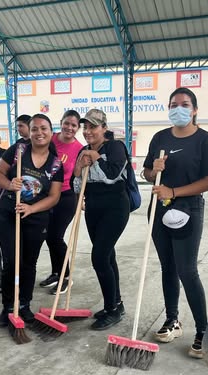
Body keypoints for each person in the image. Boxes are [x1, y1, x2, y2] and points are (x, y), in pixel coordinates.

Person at [143, 87, 208, 358]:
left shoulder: (204, 140)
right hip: (159, 208)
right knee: (167, 267)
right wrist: (153, 170)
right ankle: (172, 320)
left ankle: (203, 330)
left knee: (187, 270)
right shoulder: (160, 137)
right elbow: (146, 172)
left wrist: (174, 191)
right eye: (173, 104)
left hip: (188, 208)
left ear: (195, 110)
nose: (179, 109)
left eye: (185, 104)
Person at [0, 114, 64, 326]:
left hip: (36, 217)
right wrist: (9, 185)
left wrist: (32, 208)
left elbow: (54, 197)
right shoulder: (18, 151)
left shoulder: (56, 164)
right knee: (11, 261)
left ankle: (24, 304)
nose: (39, 133)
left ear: (51, 132)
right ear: (29, 132)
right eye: (34, 129)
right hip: (8, 213)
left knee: (28, 263)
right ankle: (8, 307)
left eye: (43, 128)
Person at [71, 109, 130, 330]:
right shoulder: (83, 150)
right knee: (107, 255)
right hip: (93, 208)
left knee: (99, 257)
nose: (88, 131)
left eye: (93, 127)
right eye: (85, 127)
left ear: (104, 128)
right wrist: (79, 167)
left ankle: (112, 310)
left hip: (115, 207)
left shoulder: (115, 147)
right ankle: (116, 303)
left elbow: (112, 176)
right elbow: (77, 185)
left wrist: (96, 159)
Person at [39, 110, 84, 295]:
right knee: (48, 236)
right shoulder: (50, 139)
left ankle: (66, 276)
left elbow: (80, 176)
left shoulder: (80, 148)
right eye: (67, 123)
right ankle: (56, 272)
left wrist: (82, 198)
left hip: (66, 196)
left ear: (78, 128)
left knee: (55, 237)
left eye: (74, 125)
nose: (69, 128)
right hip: (46, 194)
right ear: (61, 122)